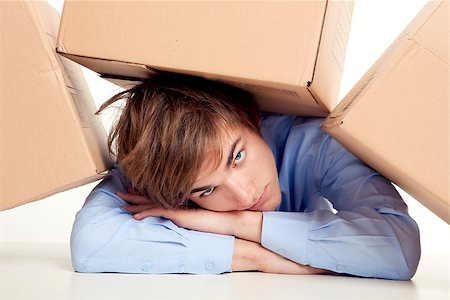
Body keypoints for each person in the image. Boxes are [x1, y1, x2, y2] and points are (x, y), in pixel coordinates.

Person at [71, 72, 421, 280]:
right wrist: (256, 257)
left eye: (237, 156)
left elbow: (400, 248)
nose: (242, 195)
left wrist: (234, 224)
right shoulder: (162, 164)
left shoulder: (317, 142)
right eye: (206, 190)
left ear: (251, 117)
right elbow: (91, 243)